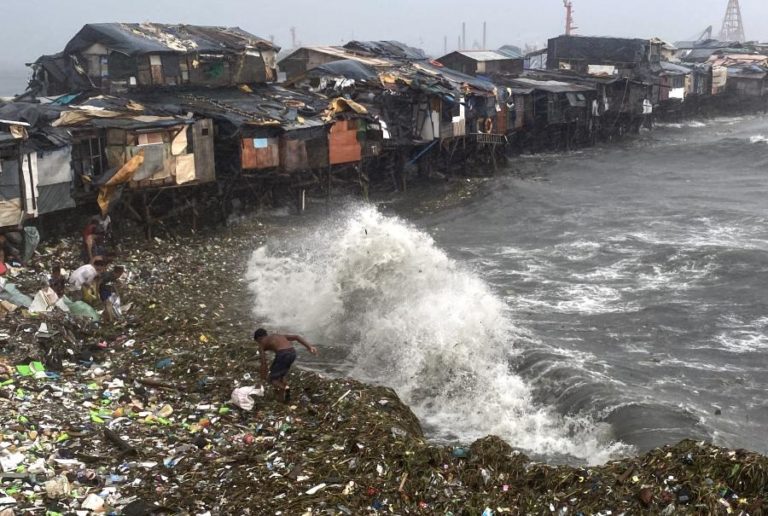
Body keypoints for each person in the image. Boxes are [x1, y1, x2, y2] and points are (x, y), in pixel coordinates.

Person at [254, 328, 318, 402]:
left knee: (272, 379)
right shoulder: (278, 336)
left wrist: (262, 378)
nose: (258, 344)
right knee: (281, 375)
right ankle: (281, 399)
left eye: (257, 342)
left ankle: (285, 388)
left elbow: (263, 363)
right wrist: (310, 347)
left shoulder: (262, 343)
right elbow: (296, 337)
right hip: (292, 352)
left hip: (283, 354)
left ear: (259, 338)